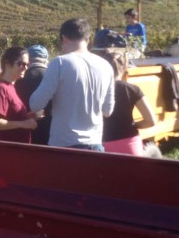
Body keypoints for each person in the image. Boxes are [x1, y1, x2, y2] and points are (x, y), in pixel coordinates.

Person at [29, 18, 115, 151]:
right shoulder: (106, 65)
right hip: (95, 145)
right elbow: (107, 111)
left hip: (64, 146)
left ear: (64, 38)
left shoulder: (60, 63)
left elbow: (35, 104)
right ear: (88, 39)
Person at [99, 51, 158, 155]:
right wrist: (134, 125)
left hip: (105, 144)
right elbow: (151, 121)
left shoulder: (97, 89)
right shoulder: (133, 89)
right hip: (131, 144)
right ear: (125, 67)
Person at [0, 47, 38, 143]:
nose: (25, 68)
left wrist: (25, 117)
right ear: (7, 63)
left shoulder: (11, 87)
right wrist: (23, 123)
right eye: (21, 64)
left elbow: (8, 116)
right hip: (6, 150)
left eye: (27, 64)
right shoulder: (1, 89)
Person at [15, 45, 52, 145]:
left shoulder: (21, 77)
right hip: (50, 127)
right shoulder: (52, 76)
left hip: (27, 127)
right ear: (46, 59)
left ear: (29, 59)